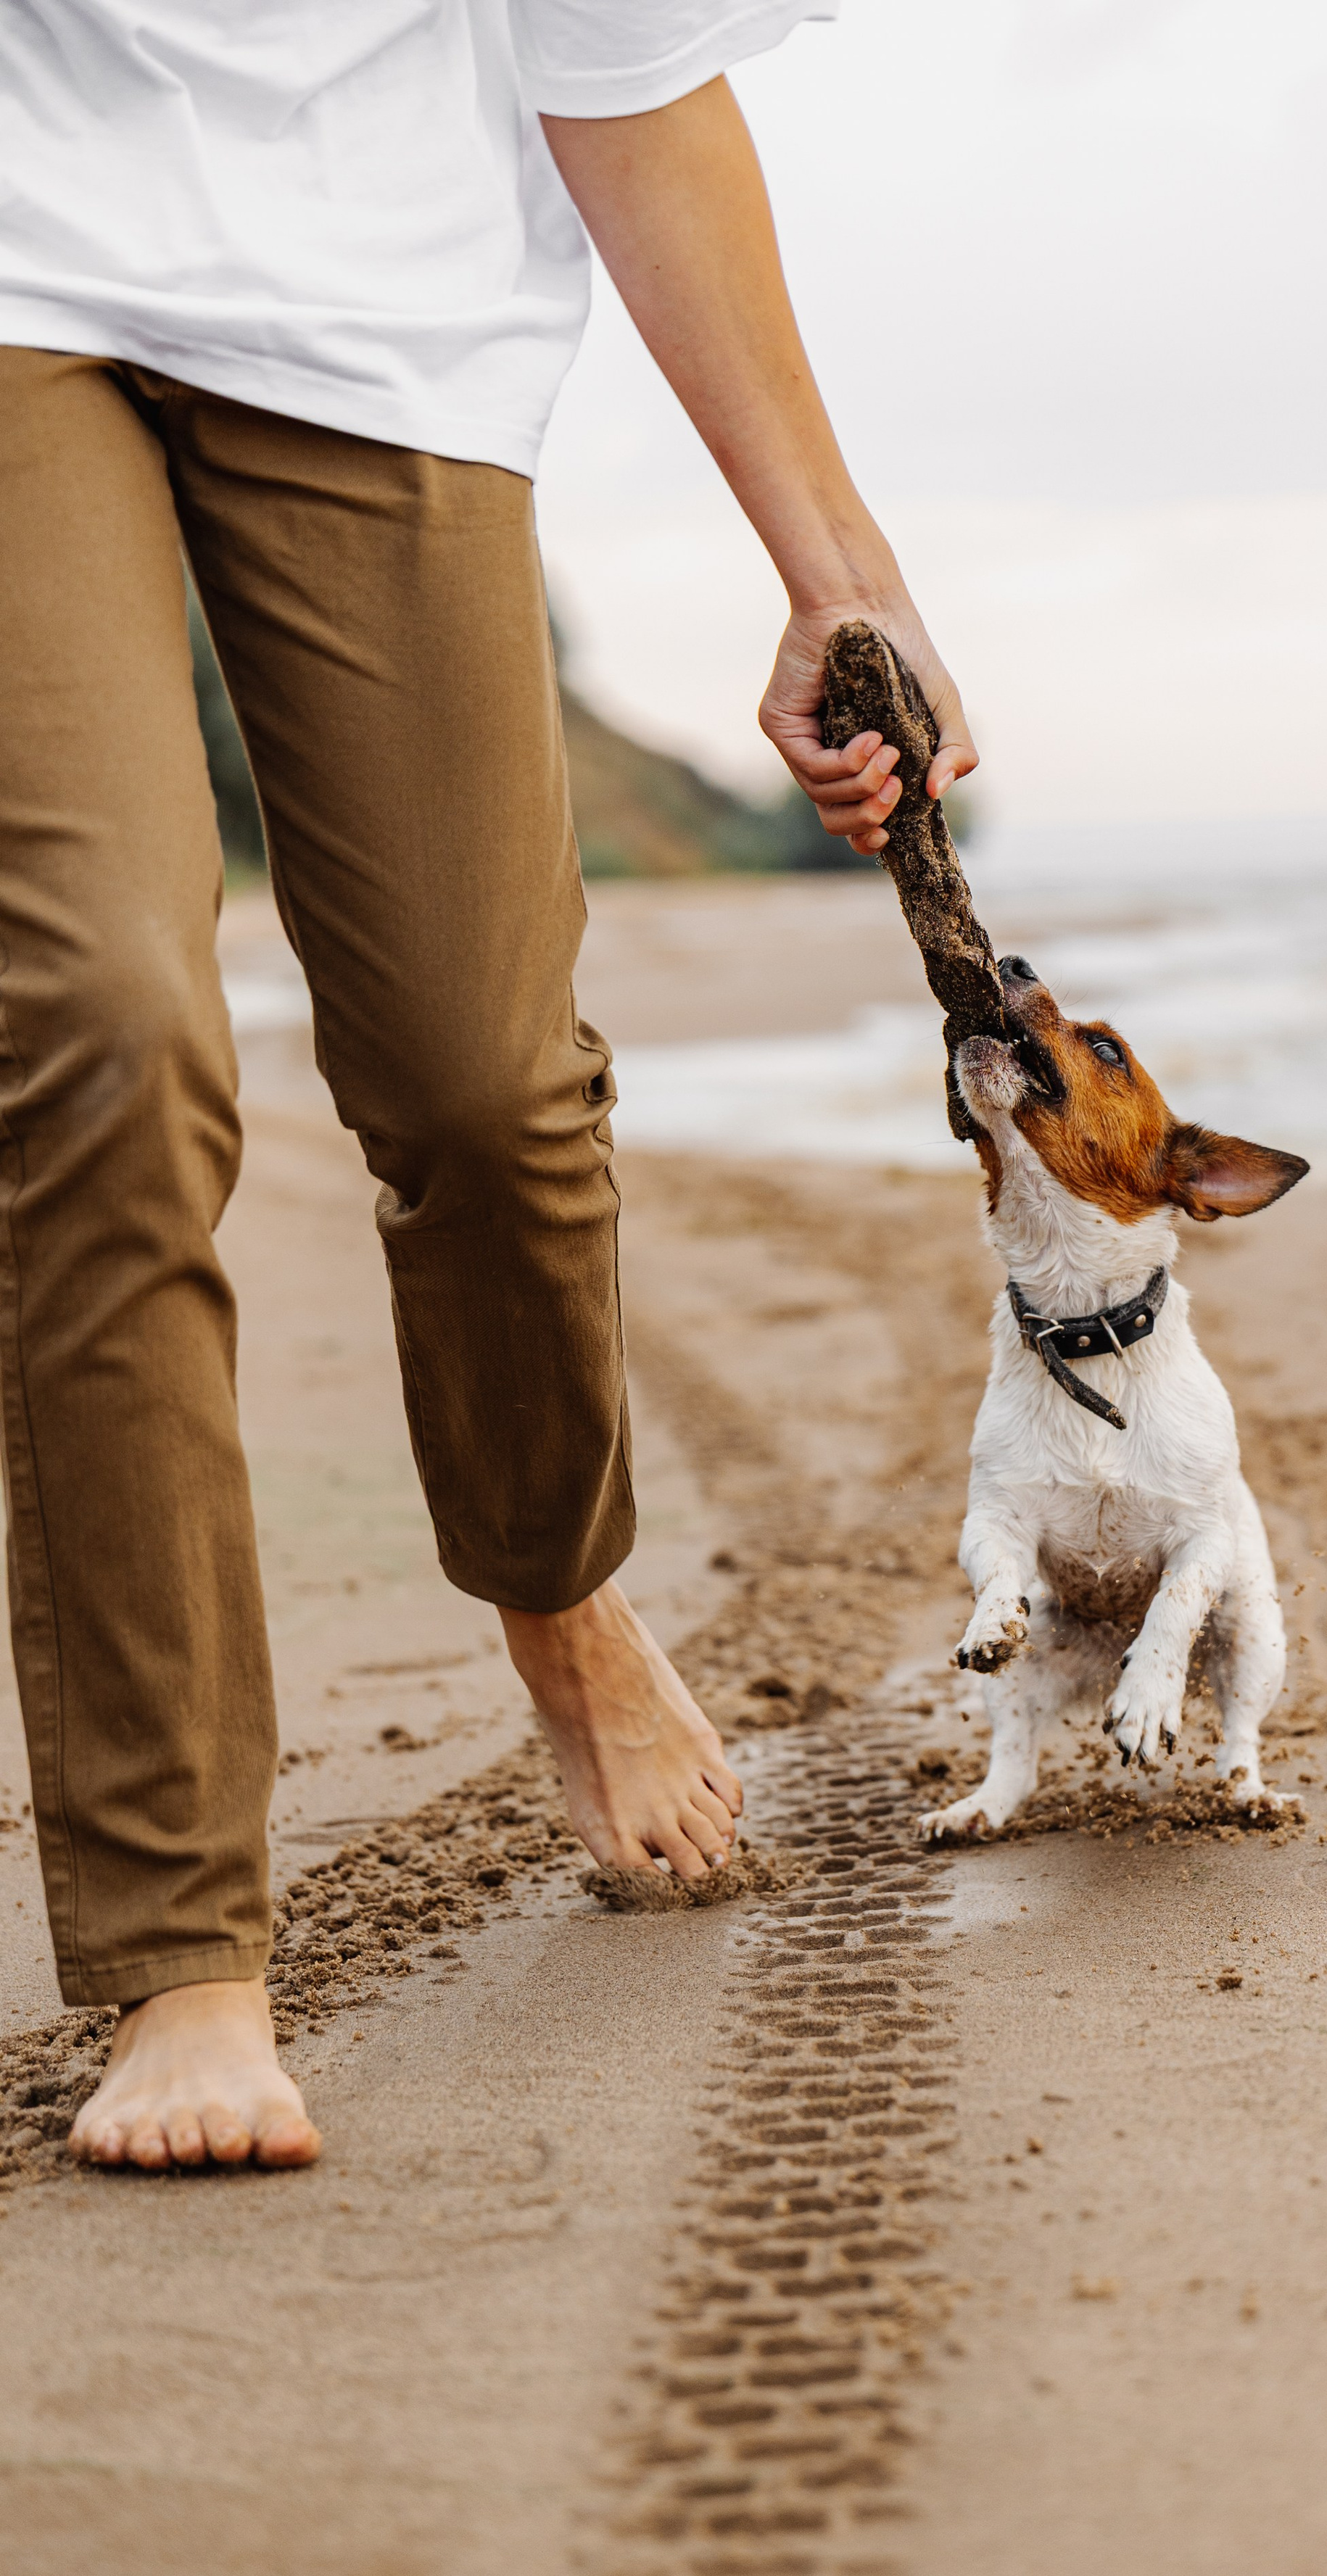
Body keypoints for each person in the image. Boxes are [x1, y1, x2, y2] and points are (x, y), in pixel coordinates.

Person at [0, 2, 975, 2175]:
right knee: (99, 1039)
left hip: (387, 312)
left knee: (485, 1084)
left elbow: (626, 72)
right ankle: (182, 1950)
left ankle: (555, 1588)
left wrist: (834, 565)